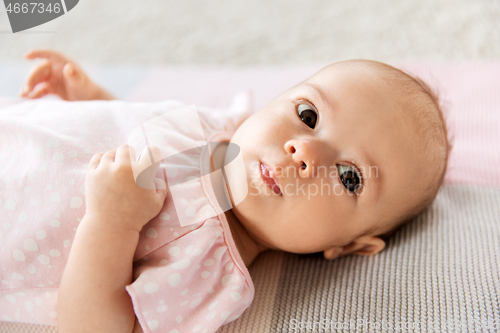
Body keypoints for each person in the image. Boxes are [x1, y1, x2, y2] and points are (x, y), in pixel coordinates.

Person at [1, 49, 449, 333]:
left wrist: (110, 223)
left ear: (349, 244)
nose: (304, 150)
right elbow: (138, 134)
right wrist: (93, 98)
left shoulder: (211, 272)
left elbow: (93, 326)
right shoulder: (220, 128)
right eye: (309, 115)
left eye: (350, 176)